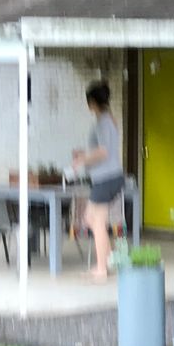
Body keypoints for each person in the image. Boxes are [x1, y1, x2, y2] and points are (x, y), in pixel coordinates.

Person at [70, 79, 123, 280]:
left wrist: (82, 159)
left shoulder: (104, 122)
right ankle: (107, 263)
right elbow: (102, 150)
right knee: (91, 219)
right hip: (107, 177)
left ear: (92, 102)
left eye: (88, 101)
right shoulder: (108, 120)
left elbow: (103, 152)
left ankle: (102, 269)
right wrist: (84, 154)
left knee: (96, 221)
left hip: (106, 178)